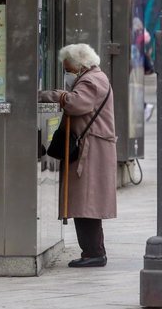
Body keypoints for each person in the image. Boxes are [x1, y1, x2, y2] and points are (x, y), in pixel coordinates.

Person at [38, 43, 117, 268]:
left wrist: (48, 95)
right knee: (86, 202)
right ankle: (92, 251)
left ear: (79, 65)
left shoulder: (92, 81)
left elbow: (75, 103)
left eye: (68, 69)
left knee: (86, 203)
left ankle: (94, 253)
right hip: (91, 148)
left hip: (92, 151)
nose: (67, 73)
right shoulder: (95, 77)